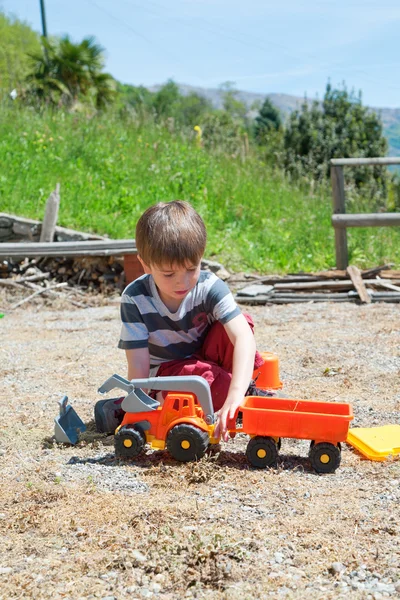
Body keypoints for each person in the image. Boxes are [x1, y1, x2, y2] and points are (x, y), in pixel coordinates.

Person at [96, 200, 268, 441]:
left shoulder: (209, 287)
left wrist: (235, 394)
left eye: (191, 268)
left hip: (206, 359)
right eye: (169, 274)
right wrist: (139, 408)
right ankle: (146, 402)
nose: (183, 282)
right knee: (200, 379)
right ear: (146, 265)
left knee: (242, 323)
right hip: (168, 371)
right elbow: (138, 367)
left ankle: (237, 391)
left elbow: (242, 337)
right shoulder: (136, 299)